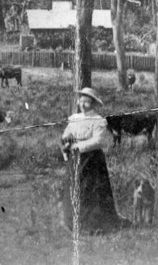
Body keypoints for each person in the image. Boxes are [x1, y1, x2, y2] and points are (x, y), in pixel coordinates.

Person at [59, 87, 129, 234]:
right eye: (81, 101)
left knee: (91, 190)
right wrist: (65, 142)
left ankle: (93, 225)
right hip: (75, 159)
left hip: (91, 160)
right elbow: (67, 134)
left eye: (87, 102)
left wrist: (77, 146)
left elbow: (98, 141)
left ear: (94, 104)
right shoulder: (75, 118)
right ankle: (72, 222)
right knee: (73, 187)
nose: (83, 105)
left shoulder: (98, 121)